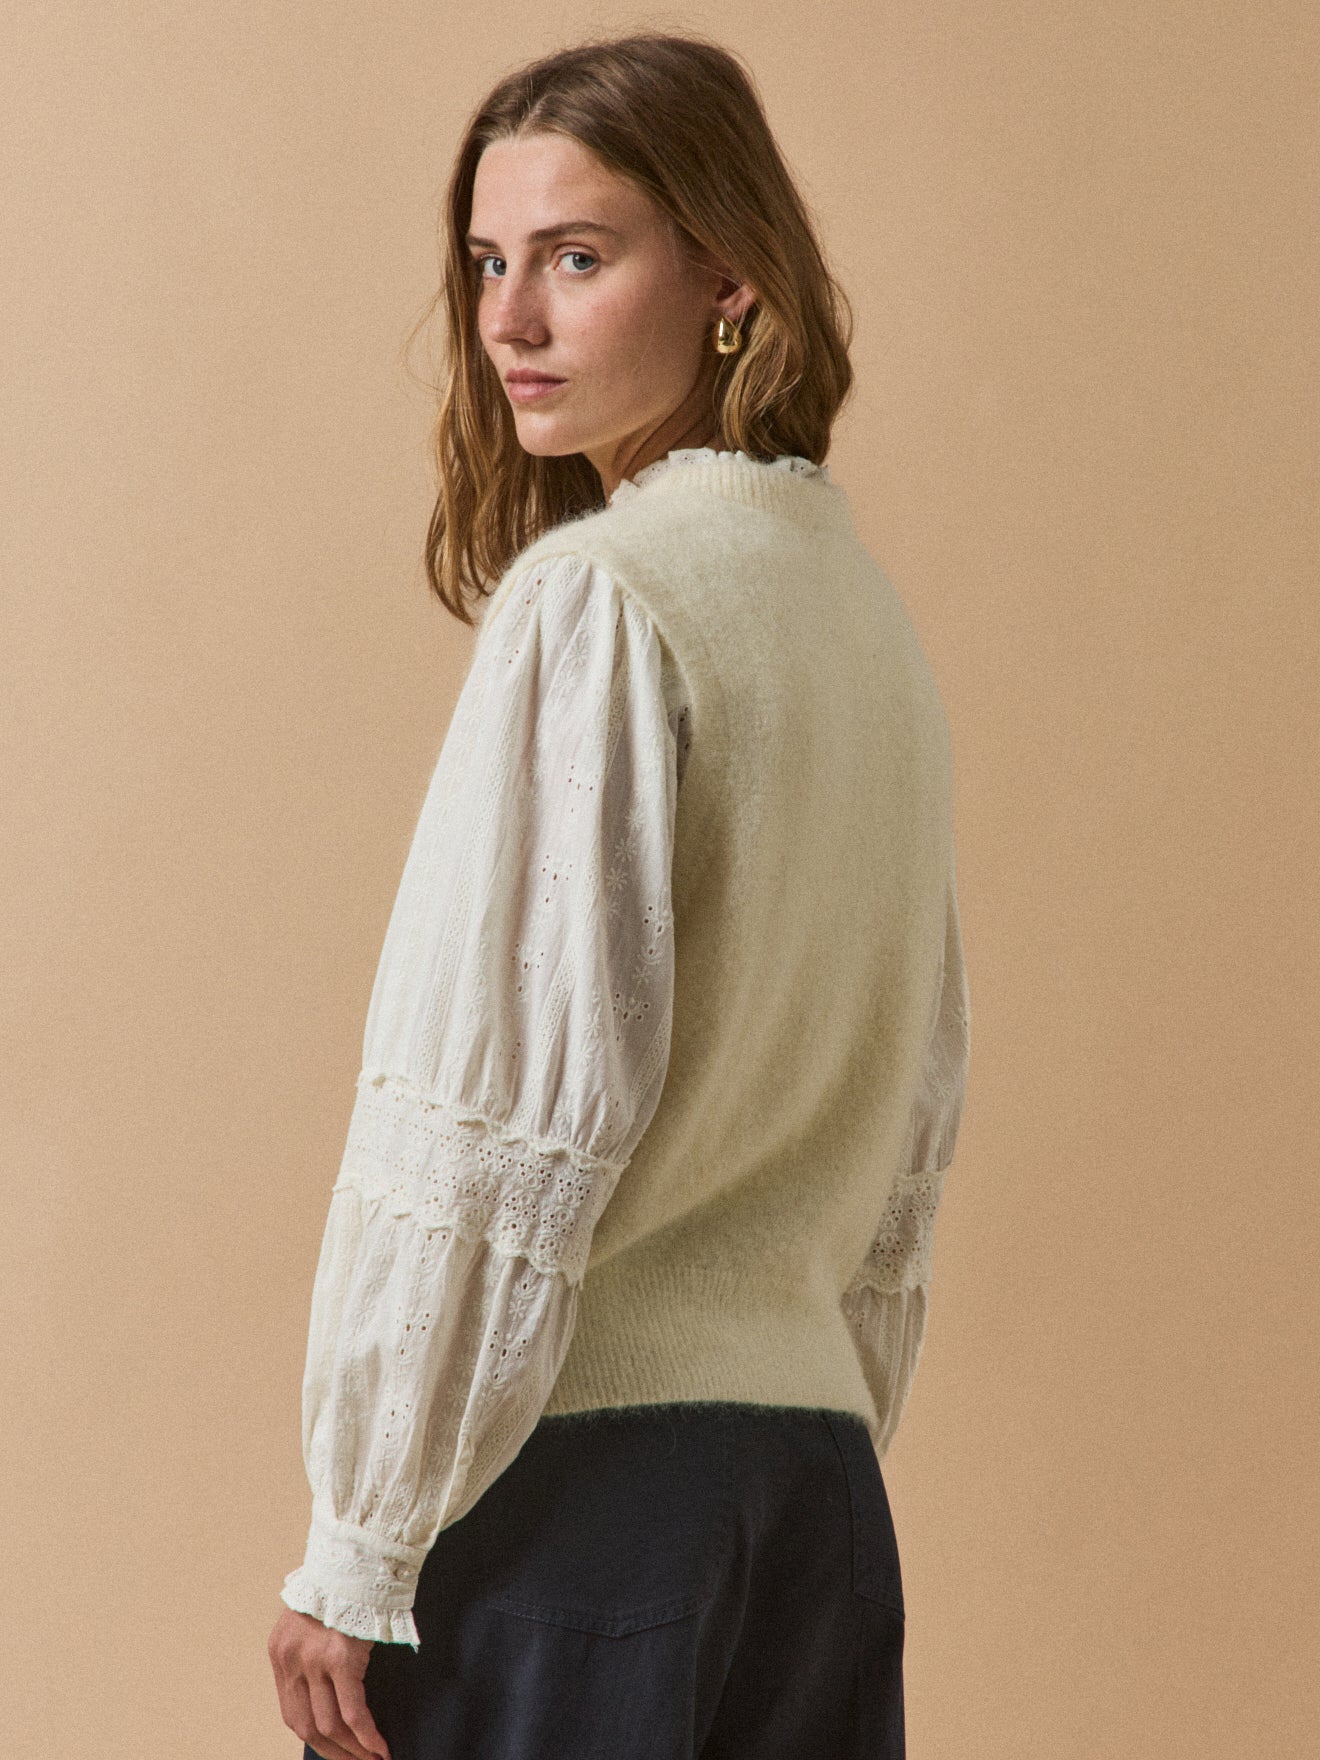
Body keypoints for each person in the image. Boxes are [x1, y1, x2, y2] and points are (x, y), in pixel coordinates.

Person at [267, 28, 970, 1760]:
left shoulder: (602, 598)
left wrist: (363, 1536)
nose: (510, 320)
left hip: (580, 1499)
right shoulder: (862, 619)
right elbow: (912, 1100)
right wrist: (822, 1408)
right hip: (809, 1491)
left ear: (728, 275)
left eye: (577, 259)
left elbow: (501, 1104)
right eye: (488, 263)